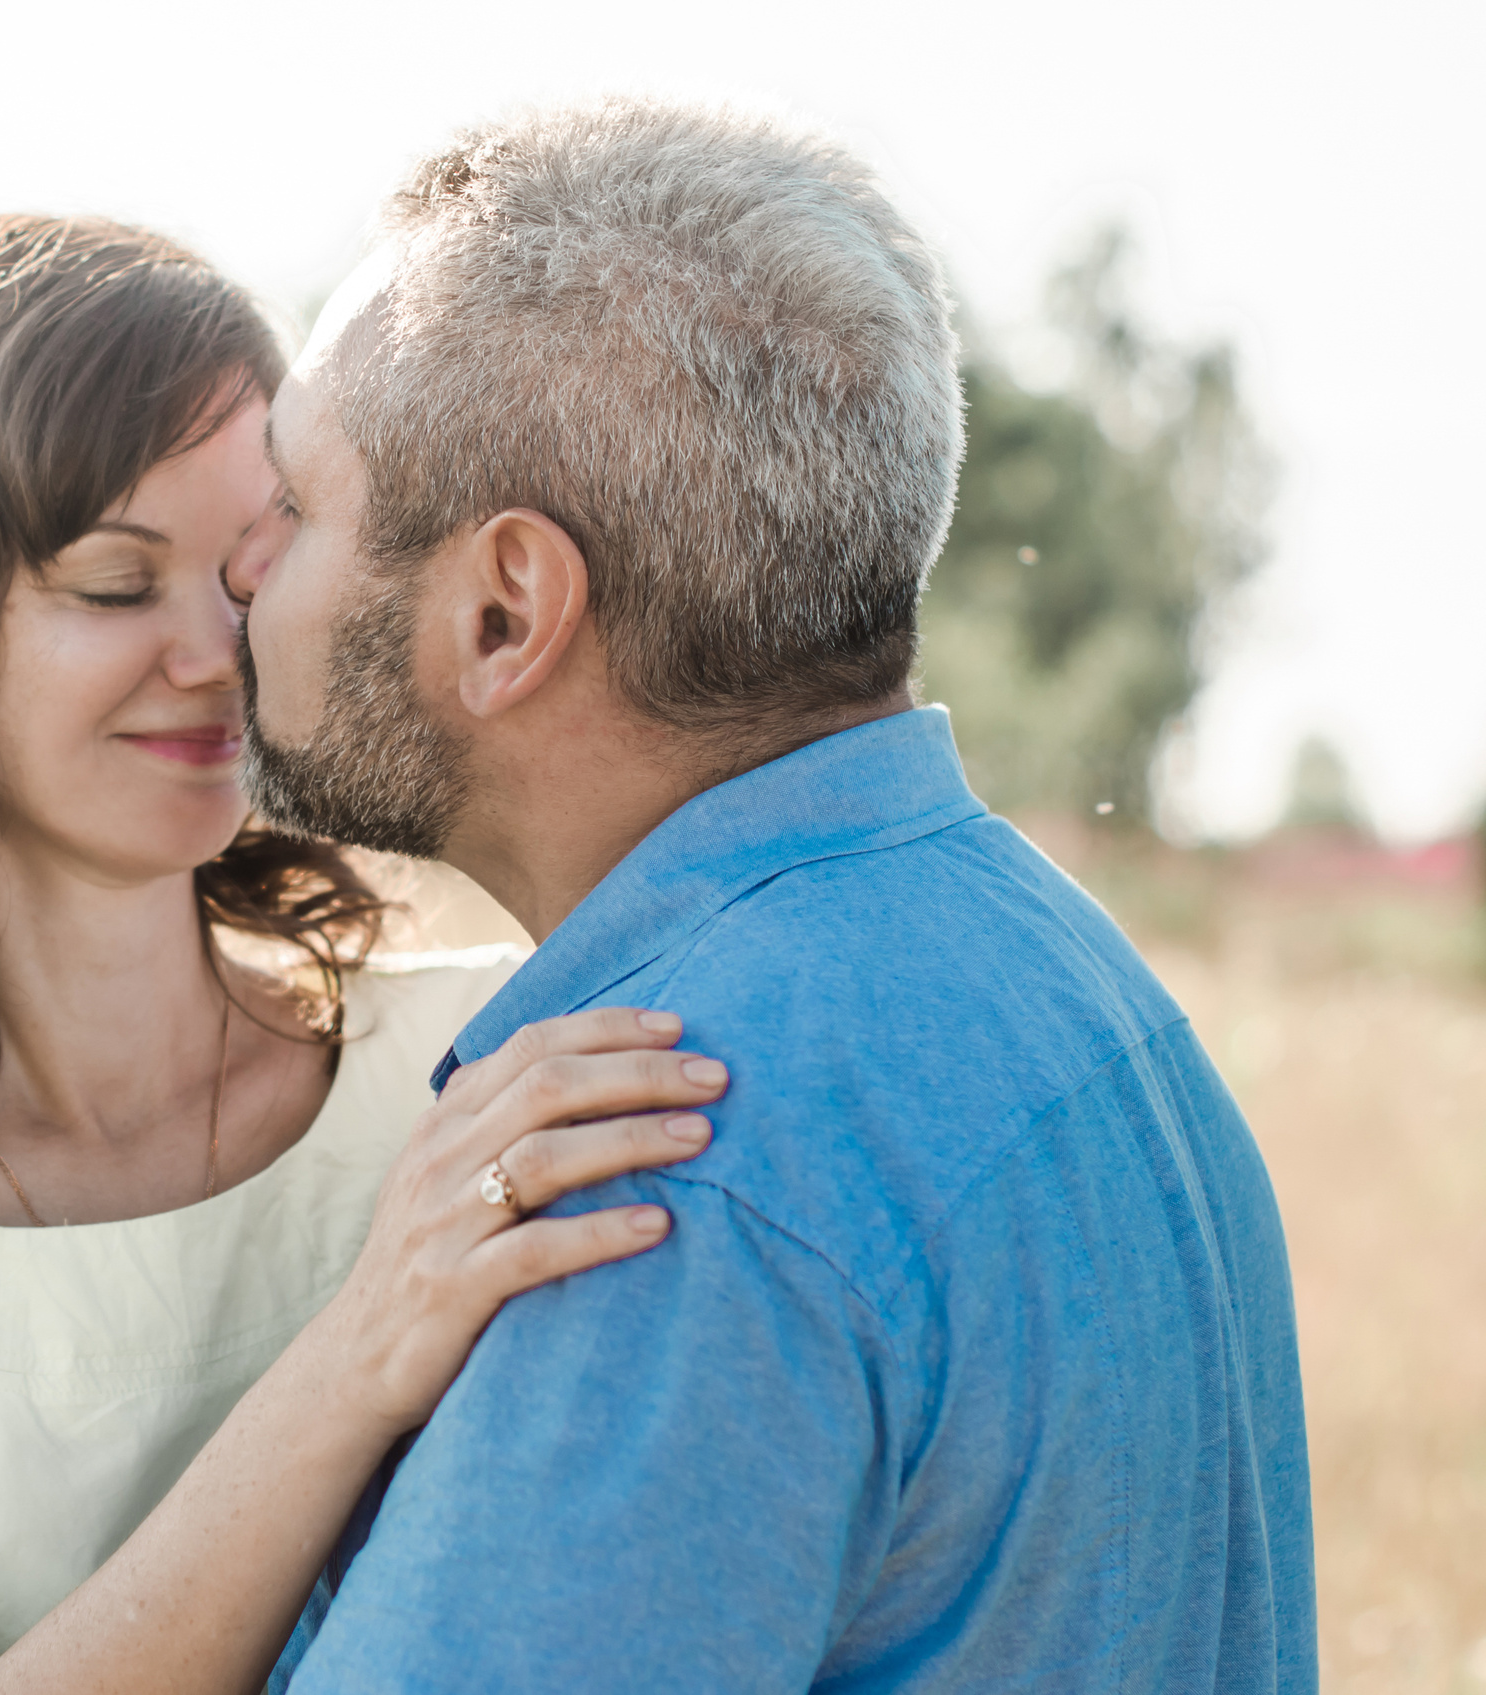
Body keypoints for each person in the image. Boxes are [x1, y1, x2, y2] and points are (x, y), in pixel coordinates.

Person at [0, 214, 730, 1695]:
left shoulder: (492, 1070)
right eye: (115, 584)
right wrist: (359, 1354)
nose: (216, 649)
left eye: (255, 569)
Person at [230, 99, 1314, 1692]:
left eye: (300, 506)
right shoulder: (1076, 983)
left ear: (503, 611)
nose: (245, 567)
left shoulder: (655, 1165)